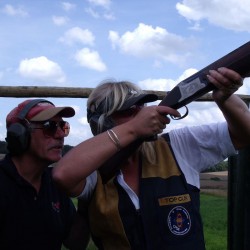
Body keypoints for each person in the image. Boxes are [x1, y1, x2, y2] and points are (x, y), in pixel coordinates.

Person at [53, 67, 250, 250]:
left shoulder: (176, 145)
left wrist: (225, 98)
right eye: (129, 110)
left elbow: (243, 135)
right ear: (102, 122)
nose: (143, 113)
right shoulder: (92, 170)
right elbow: (62, 174)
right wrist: (134, 128)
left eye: (142, 106)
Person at [0, 99, 81, 250]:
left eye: (63, 126)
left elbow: (75, 243)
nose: (60, 135)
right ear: (19, 134)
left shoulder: (55, 181)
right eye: (49, 127)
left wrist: (86, 197)